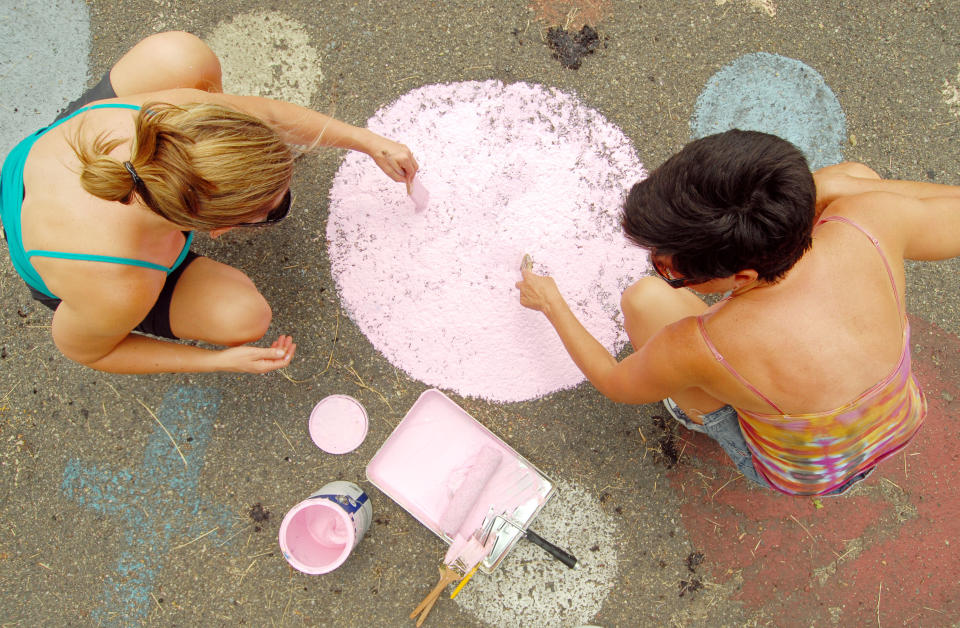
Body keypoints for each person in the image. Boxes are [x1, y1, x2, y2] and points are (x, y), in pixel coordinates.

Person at [516, 129, 960, 496]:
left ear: (743, 277)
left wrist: (551, 304)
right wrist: (849, 190)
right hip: (897, 421)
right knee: (854, 174)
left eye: (670, 268)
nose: (662, 266)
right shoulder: (871, 220)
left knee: (644, 302)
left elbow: (616, 383)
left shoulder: (699, 346)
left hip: (807, 474)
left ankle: (700, 418)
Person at [1, 31, 417, 374]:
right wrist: (215, 361)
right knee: (242, 316)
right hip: (60, 251)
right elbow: (88, 351)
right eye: (266, 209)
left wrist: (368, 142)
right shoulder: (122, 284)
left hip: (54, 162)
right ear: (216, 226)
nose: (281, 204)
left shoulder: (172, 121)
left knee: (181, 55)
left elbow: (269, 114)